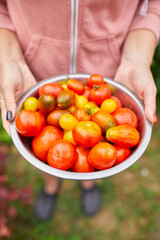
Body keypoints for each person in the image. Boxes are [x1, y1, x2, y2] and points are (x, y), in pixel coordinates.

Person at [0, 0, 159, 220]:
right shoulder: (50, 108)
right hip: (33, 76)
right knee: (45, 156)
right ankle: (50, 186)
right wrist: (10, 60)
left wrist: (137, 59)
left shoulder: (100, 113)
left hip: (110, 76)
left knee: (90, 159)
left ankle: (88, 182)